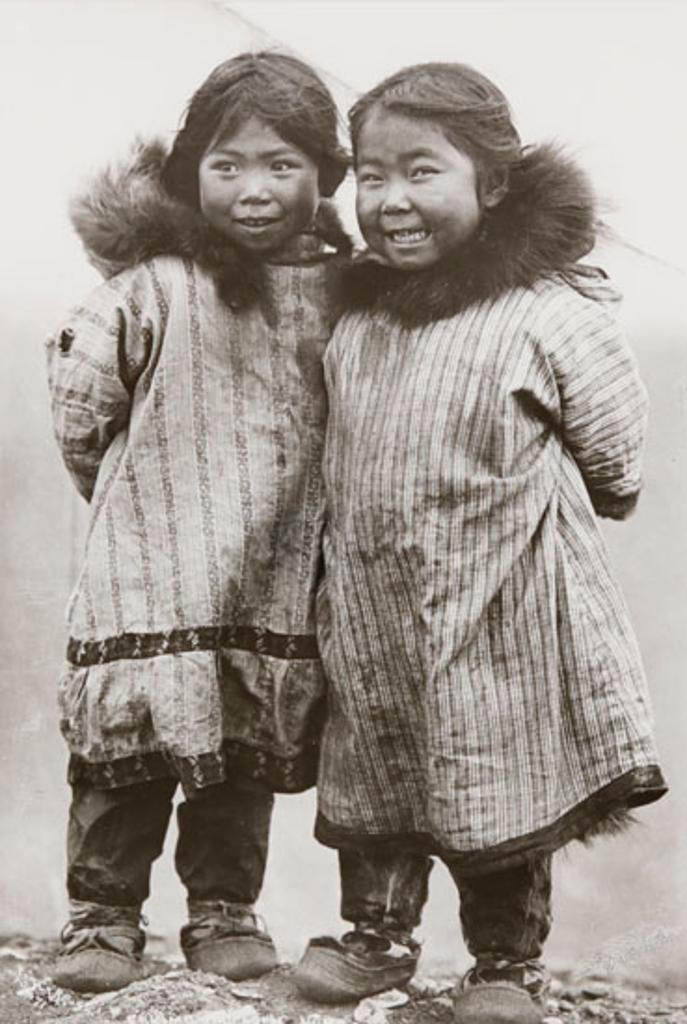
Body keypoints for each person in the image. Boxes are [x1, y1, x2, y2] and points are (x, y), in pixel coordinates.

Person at [294, 62, 667, 1024]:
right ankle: (377, 939)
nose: (390, 201)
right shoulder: (356, 316)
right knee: (375, 759)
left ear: (491, 184)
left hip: (504, 606)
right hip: (372, 605)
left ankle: (505, 963)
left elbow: (618, 464)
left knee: (496, 771)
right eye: (370, 176)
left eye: (423, 172)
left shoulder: (547, 314)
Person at [45, 51, 350, 994]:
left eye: (282, 164)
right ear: (190, 172)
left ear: (324, 175)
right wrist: (145, 506)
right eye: (228, 165)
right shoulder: (152, 287)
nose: (254, 190)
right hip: (148, 569)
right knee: (124, 755)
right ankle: (102, 916)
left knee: (240, 750)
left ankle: (223, 910)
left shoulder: (342, 293)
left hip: (270, 574)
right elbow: (82, 416)